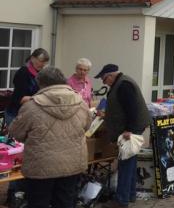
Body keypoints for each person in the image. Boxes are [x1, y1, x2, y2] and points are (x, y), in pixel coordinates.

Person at [9, 67, 91, 208]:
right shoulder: (81, 103)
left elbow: (16, 133)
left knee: (38, 203)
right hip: (72, 163)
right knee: (65, 202)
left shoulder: (32, 106)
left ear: (42, 84)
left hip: (41, 165)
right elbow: (87, 126)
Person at [95, 64, 151, 207]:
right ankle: (130, 195)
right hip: (133, 127)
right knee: (130, 163)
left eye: (104, 79)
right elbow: (121, 107)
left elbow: (131, 108)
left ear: (111, 75)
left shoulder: (124, 85)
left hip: (131, 129)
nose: (103, 82)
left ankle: (121, 200)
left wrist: (129, 129)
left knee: (125, 163)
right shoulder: (121, 83)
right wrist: (107, 114)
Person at [7, 48, 49, 127]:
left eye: (45, 62)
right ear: (32, 59)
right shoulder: (23, 73)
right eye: (41, 61)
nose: (43, 64)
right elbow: (19, 99)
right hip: (16, 114)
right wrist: (41, 98)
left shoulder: (41, 73)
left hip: (32, 114)